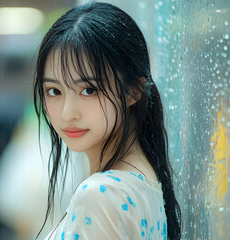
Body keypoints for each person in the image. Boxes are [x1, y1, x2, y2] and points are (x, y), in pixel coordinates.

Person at [33, 2, 181, 239]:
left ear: (134, 89)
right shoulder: (144, 182)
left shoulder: (101, 195)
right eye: (54, 91)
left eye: (89, 90)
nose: (67, 113)